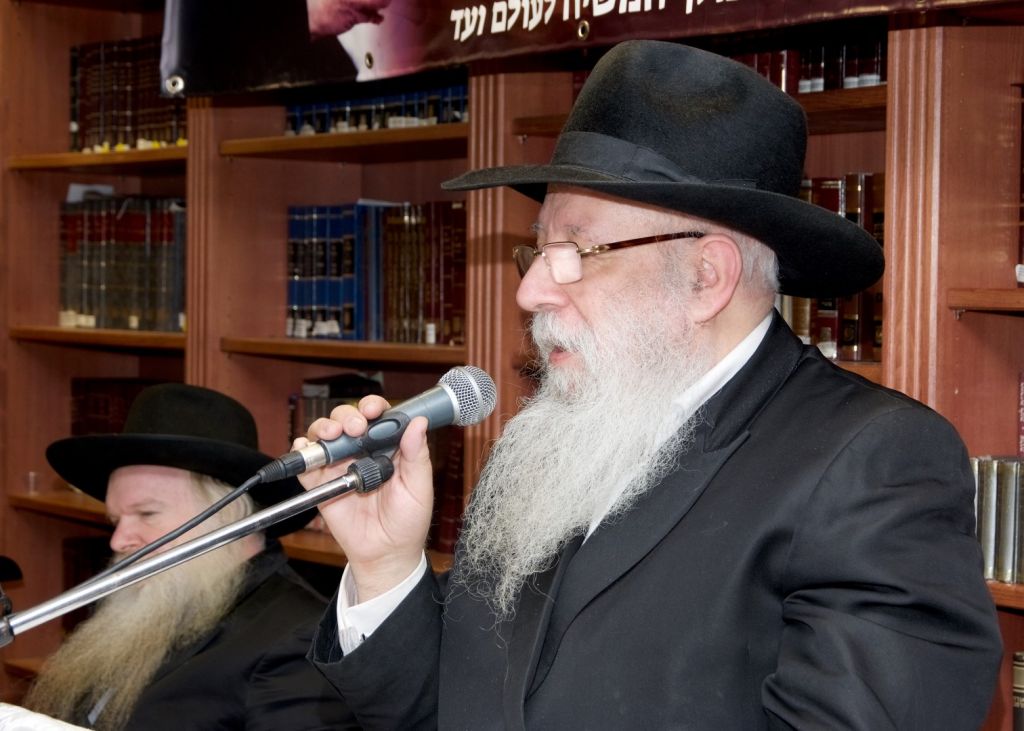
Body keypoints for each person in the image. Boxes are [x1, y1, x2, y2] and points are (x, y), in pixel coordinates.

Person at [298, 40, 1003, 728]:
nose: (531, 291)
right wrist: (385, 567)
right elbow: (460, 707)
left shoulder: (873, 463)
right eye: (538, 250)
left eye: (575, 251)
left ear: (706, 278)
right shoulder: (544, 447)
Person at [23, 383, 357, 730]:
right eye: (115, 520)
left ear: (225, 518)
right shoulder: (146, 608)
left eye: (147, 514)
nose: (118, 540)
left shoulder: (300, 643)